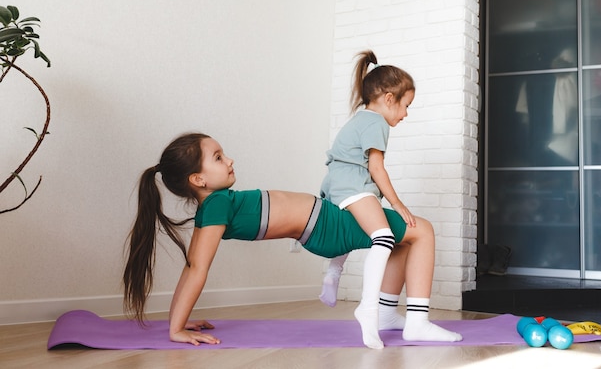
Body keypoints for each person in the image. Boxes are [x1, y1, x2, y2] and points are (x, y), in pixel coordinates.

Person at [123, 133, 462, 348]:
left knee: (401, 239)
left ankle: (387, 315)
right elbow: (197, 268)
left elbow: (191, 266)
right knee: (422, 229)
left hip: (326, 222)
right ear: (198, 179)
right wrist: (176, 331)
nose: (229, 160)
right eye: (218, 157)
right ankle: (417, 321)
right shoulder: (217, 205)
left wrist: (177, 322)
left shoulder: (212, 207)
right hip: (329, 226)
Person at [318, 50, 425, 348]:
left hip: (335, 183)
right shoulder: (376, 122)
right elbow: (376, 168)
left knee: (349, 233)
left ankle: (333, 271)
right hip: (353, 184)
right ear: (389, 99)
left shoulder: (360, 118)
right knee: (384, 237)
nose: (405, 114)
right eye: (405, 105)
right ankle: (369, 309)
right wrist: (398, 205)